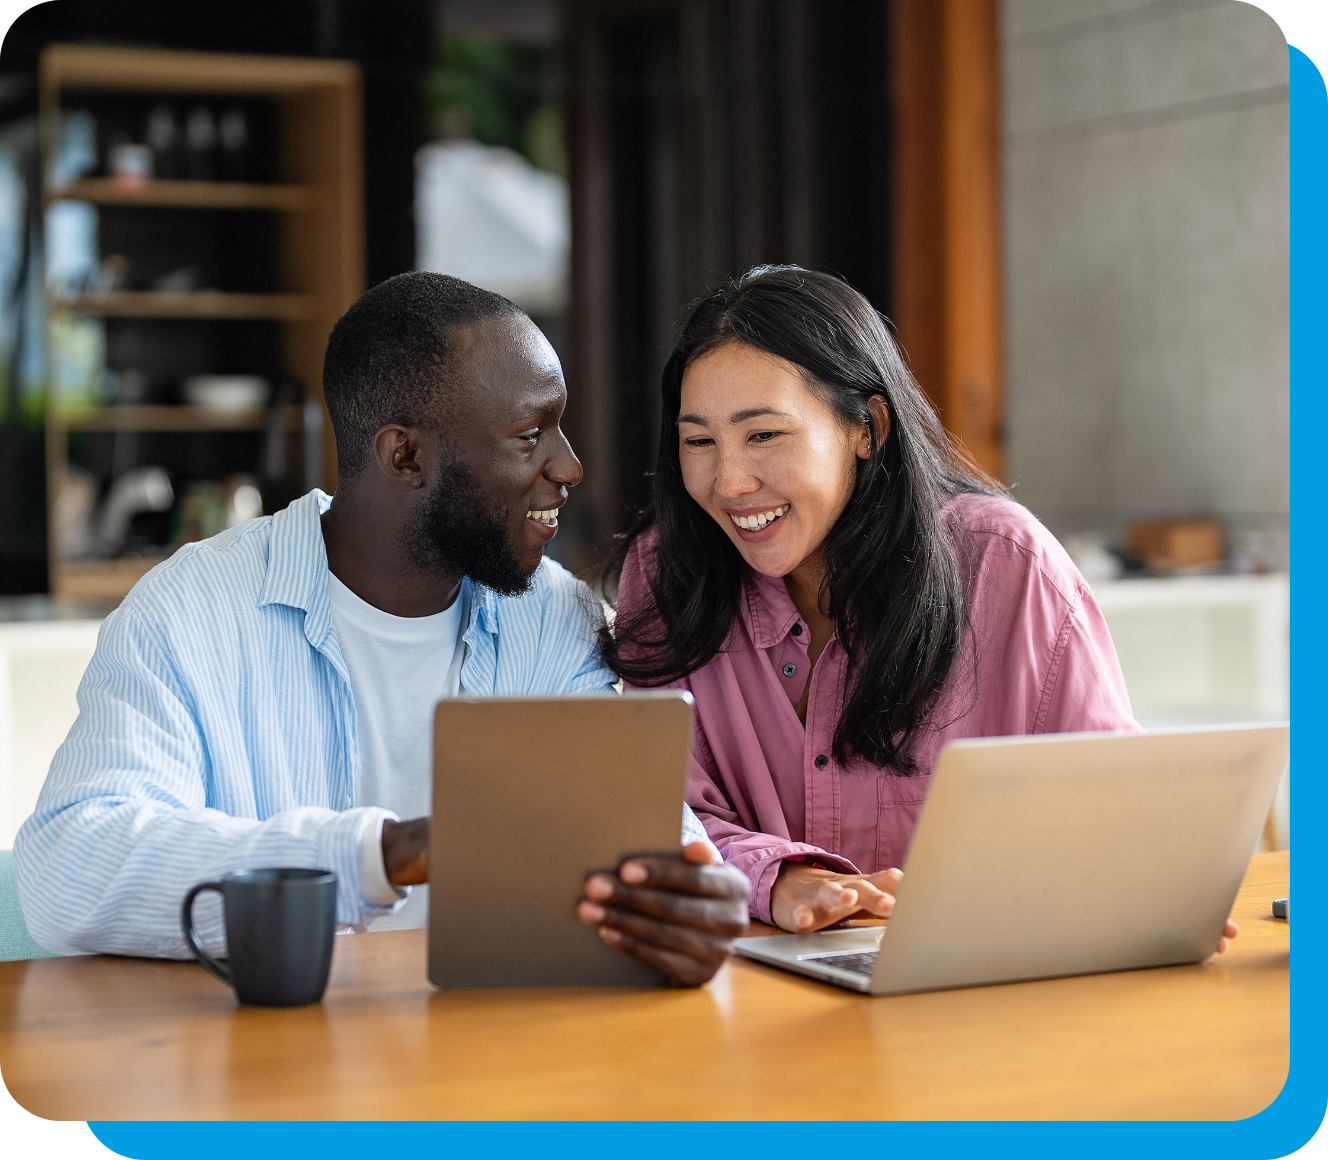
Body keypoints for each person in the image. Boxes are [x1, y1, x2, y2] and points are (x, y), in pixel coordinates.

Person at [15, 273, 749, 987]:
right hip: (269, 1055)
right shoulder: (189, 613)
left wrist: (690, 894)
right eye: (530, 436)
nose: (571, 466)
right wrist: (383, 853)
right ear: (406, 456)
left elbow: (635, 832)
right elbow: (70, 868)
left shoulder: (553, 615)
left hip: (497, 1047)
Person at [601, 266, 1239, 954]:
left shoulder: (1006, 565)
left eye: (763, 436)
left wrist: (1155, 886)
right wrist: (777, 880)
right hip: (750, 991)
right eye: (699, 442)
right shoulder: (667, 573)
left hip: (982, 979)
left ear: (867, 428)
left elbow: (1108, 806)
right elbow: (662, 812)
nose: (729, 482)